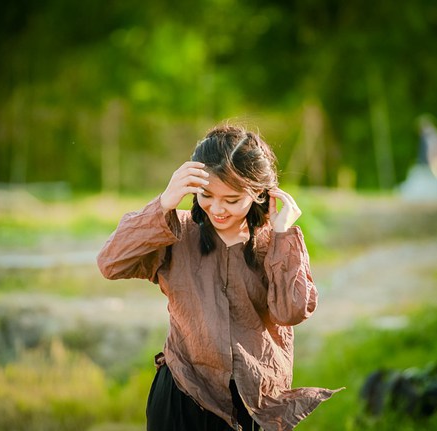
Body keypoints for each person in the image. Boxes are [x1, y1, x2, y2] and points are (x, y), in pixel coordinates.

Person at [97, 124, 341, 431]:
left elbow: (291, 311)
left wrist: (283, 236)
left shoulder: (274, 243)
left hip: (254, 404)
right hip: (183, 398)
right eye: (206, 195)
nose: (217, 208)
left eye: (232, 199)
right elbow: (110, 263)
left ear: (259, 194)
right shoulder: (176, 231)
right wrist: (163, 203)